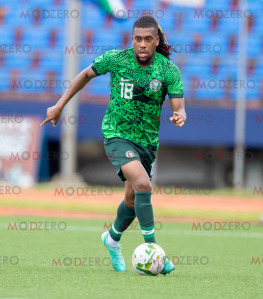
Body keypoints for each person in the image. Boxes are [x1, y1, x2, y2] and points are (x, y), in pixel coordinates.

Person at [41, 16, 186, 275]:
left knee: (132, 198)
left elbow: (179, 105)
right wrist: (60, 105)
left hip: (147, 143)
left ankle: (112, 238)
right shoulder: (117, 59)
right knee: (143, 185)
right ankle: (154, 252)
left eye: (148, 39)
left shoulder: (168, 70)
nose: (142, 44)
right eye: (137, 39)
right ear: (132, 39)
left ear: (156, 41)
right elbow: (85, 74)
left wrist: (180, 115)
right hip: (116, 134)